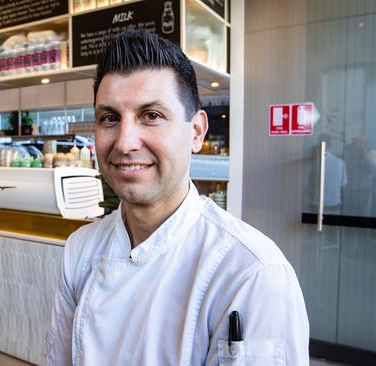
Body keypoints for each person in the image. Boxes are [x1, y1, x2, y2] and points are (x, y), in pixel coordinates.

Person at [44, 29, 309, 365]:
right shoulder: (80, 250)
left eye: (151, 116)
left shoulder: (252, 272)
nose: (125, 143)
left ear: (196, 131)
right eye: (110, 118)